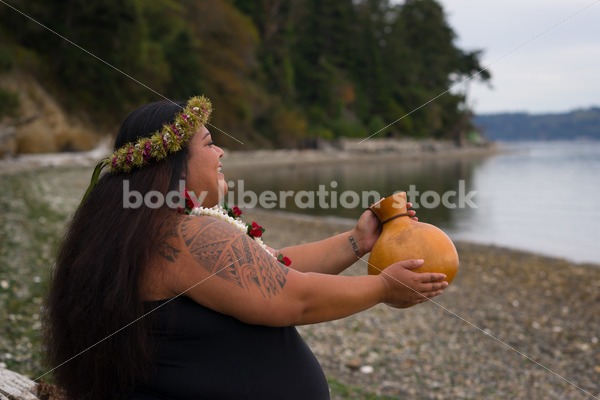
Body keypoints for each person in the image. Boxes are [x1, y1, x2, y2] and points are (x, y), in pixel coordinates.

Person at [43, 96, 449, 400]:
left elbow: (273, 268)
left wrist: (357, 242)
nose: (220, 152)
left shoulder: (149, 232)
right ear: (172, 164)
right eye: (208, 143)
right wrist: (383, 289)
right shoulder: (182, 235)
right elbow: (296, 298)